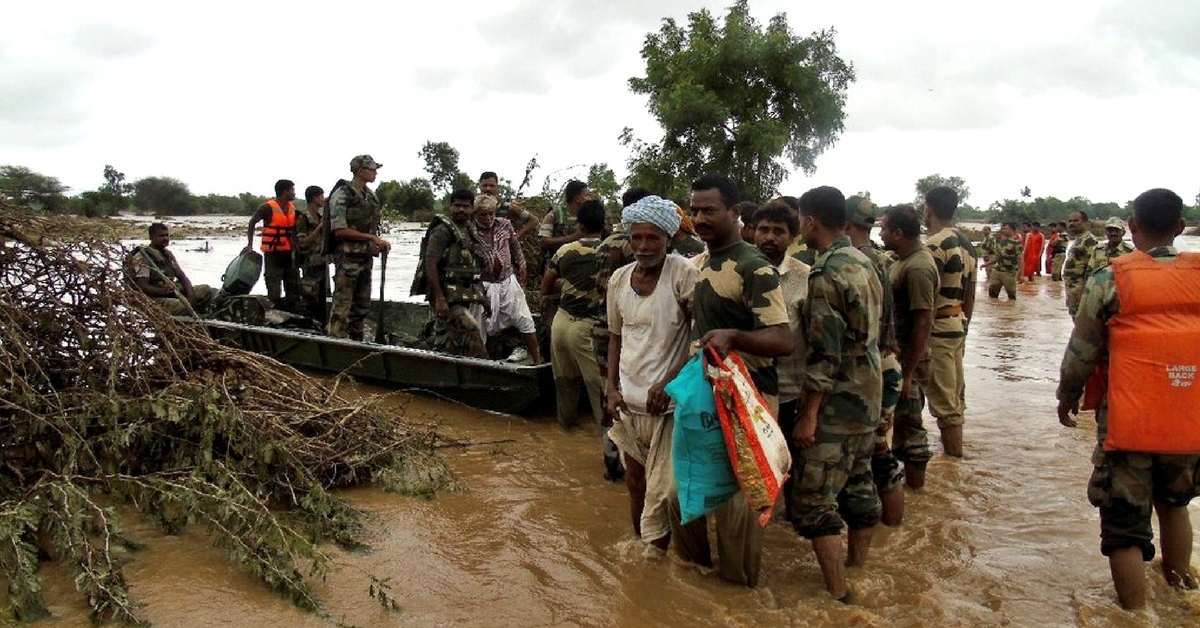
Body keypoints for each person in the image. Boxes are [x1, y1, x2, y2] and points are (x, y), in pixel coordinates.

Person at [1056, 188, 1200, 610]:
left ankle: (1133, 617)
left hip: (1128, 420)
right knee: (1175, 504)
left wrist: (1067, 395)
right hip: (1189, 418)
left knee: (1123, 525)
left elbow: (1082, 349)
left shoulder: (1109, 278)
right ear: (1179, 227)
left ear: (1131, 226)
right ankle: (1181, 600)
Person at [669, 174, 793, 588]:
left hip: (749, 402)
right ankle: (697, 588)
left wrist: (735, 337)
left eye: (710, 210)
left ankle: (738, 598)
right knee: (680, 495)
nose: (700, 218)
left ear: (736, 213)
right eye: (696, 210)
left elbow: (782, 339)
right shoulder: (698, 264)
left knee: (739, 510)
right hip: (705, 396)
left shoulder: (755, 267)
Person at [789, 186, 883, 602]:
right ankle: (858, 568)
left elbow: (826, 353)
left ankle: (840, 594)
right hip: (870, 394)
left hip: (839, 403)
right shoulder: (865, 261)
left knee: (812, 499)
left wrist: (809, 414)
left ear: (809, 221)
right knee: (860, 483)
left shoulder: (826, 274)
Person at [605, 194, 698, 549]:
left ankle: (656, 564)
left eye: (652, 238)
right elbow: (616, 337)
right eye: (637, 238)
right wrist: (611, 389)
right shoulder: (619, 279)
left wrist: (668, 382)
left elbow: (698, 339)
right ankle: (643, 559)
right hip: (629, 404)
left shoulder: (683, 274)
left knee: (665, 493)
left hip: (668, 408)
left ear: (669, 239)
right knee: (636, 484)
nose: (643, 246)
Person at [543, 200, 620, 478]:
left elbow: (545, 287)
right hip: (588, 329)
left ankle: (566, 434)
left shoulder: (565, 251)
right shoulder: (610, 252)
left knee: (564, 384)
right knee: (601, 393)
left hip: (561, 323)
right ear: (604, 225)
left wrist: (568, 285)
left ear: (580, 225)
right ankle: (611, 457)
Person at [845, 200, 904, 525]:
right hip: (887, 361)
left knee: (872, 456)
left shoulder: (853, 261)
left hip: (867, 368)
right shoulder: (884, 258)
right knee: (881, 449)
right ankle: (893, 532)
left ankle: (885, 529)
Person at [750, 200, 810, 521]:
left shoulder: (805, 278)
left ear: (791, 237)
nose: (769, 237)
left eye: (778, 231)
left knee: (790, 467)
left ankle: (791, 525)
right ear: (752, 232)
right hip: (748, 393)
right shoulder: (739, 271)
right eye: (763, 230)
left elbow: (815, 342)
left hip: (788, 393)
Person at [879, 205, 938, 490]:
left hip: (910, 360)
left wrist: (909, 373)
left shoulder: (918, 267)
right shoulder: (902, 260)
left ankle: (917, 492)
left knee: (911, 428)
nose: (880, 233)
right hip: (900, 357)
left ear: (898, 233)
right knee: (899, 427)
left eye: (884, 228)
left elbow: (923, 322)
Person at [923, 186, 975, 457]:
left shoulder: (935, 245)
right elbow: (971, 294)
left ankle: (955, 460)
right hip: (957, 325)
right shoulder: (966, 244)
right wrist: (965, 327)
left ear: (928, 209)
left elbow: (927, 297)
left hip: (938, 328)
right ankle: (954, 464)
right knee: (955, 396)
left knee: (945, 403)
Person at [412, 189, 489, 358]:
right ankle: (486, 370)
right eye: (457, 205)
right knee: (471, 328)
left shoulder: (469, 230)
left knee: (450, 340)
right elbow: (430, 263)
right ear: (451, 206)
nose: (461, 210)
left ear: (471, 209)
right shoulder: (442, 231)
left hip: (462, 294)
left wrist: (483, 297)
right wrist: (439, 298)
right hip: (445, 295)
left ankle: (438, 362)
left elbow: (474, 267)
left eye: (466, 206)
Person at [327, 155, 390, 341]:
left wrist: (375, 244)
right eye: (372, 169)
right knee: (342, 306)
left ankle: (356, 344)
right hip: (347, 258)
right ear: (360, 170)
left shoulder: (370, 196)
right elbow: (339, 230)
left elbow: (371, 225)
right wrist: (371, 238)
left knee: (361, 306)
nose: (375, 173)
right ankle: (335, 344)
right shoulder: (342, 194)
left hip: (365, 258)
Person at [473, 193, 541, 364]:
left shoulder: (505, 224)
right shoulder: (470, 230)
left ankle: (537, 359)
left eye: (491, 213)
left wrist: (522, 263)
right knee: (479, 325)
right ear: (475, 214)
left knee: (524, 318)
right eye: (483, 214)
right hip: (483, 283)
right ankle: (480, 363)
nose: (488, 218)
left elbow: (515, 246)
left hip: (507, 280)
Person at [128, 223, 217, 315]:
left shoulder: (168, 254)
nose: (165, 238)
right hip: (154, 298)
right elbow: (143, 286)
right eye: (161, 236)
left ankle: (200, 313)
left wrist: (190, 294)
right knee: (185, 307)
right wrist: (162, 291)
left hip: (172, 292)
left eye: (167, 235)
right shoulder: (143, 257)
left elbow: (182, 277)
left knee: (207, 290)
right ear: (152, 237)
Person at [245, 179, 301, 310]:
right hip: (273, 254)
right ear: (284, 191)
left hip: (289, 253)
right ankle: (274, 312)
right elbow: (252, 222)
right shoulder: (267, 207)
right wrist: (250, 244)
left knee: (293, 286)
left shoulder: (293, 208)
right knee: (274, 287)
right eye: (292, 190)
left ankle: (293, 312)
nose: (294, 193)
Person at [295, 185, 330, 325]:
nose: (323, 199)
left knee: (323, 301)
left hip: (322, 264)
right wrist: (319, 228)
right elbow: (302, 243)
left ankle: (321, 327)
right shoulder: (304, 218)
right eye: (321, 197)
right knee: (310, 299)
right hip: (310, 264)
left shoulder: (321, 217)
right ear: (314, 198)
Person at [1063, 210, 1099, 317]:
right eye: (1070, 221)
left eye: (1075, 221)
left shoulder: (1089, 241)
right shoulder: (1078, 240)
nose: (1072, 224)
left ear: (1085, 223)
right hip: (1073, 289)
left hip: (1081, 290)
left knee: (1081, 322)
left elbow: (1092, 267)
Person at [986, 222, 1024, 300]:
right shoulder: (1001, 242)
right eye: (1002, 229)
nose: (1003, 230)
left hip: (1009, 273)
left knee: (1011, 297)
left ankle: (1010, 310)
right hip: (997, 271)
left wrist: (1022, 274)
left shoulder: (1016, 242)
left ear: (1011, 230)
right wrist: (986, 264)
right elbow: (997, 258)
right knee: (992, 295)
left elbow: (1020, 258)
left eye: (1005, 229)